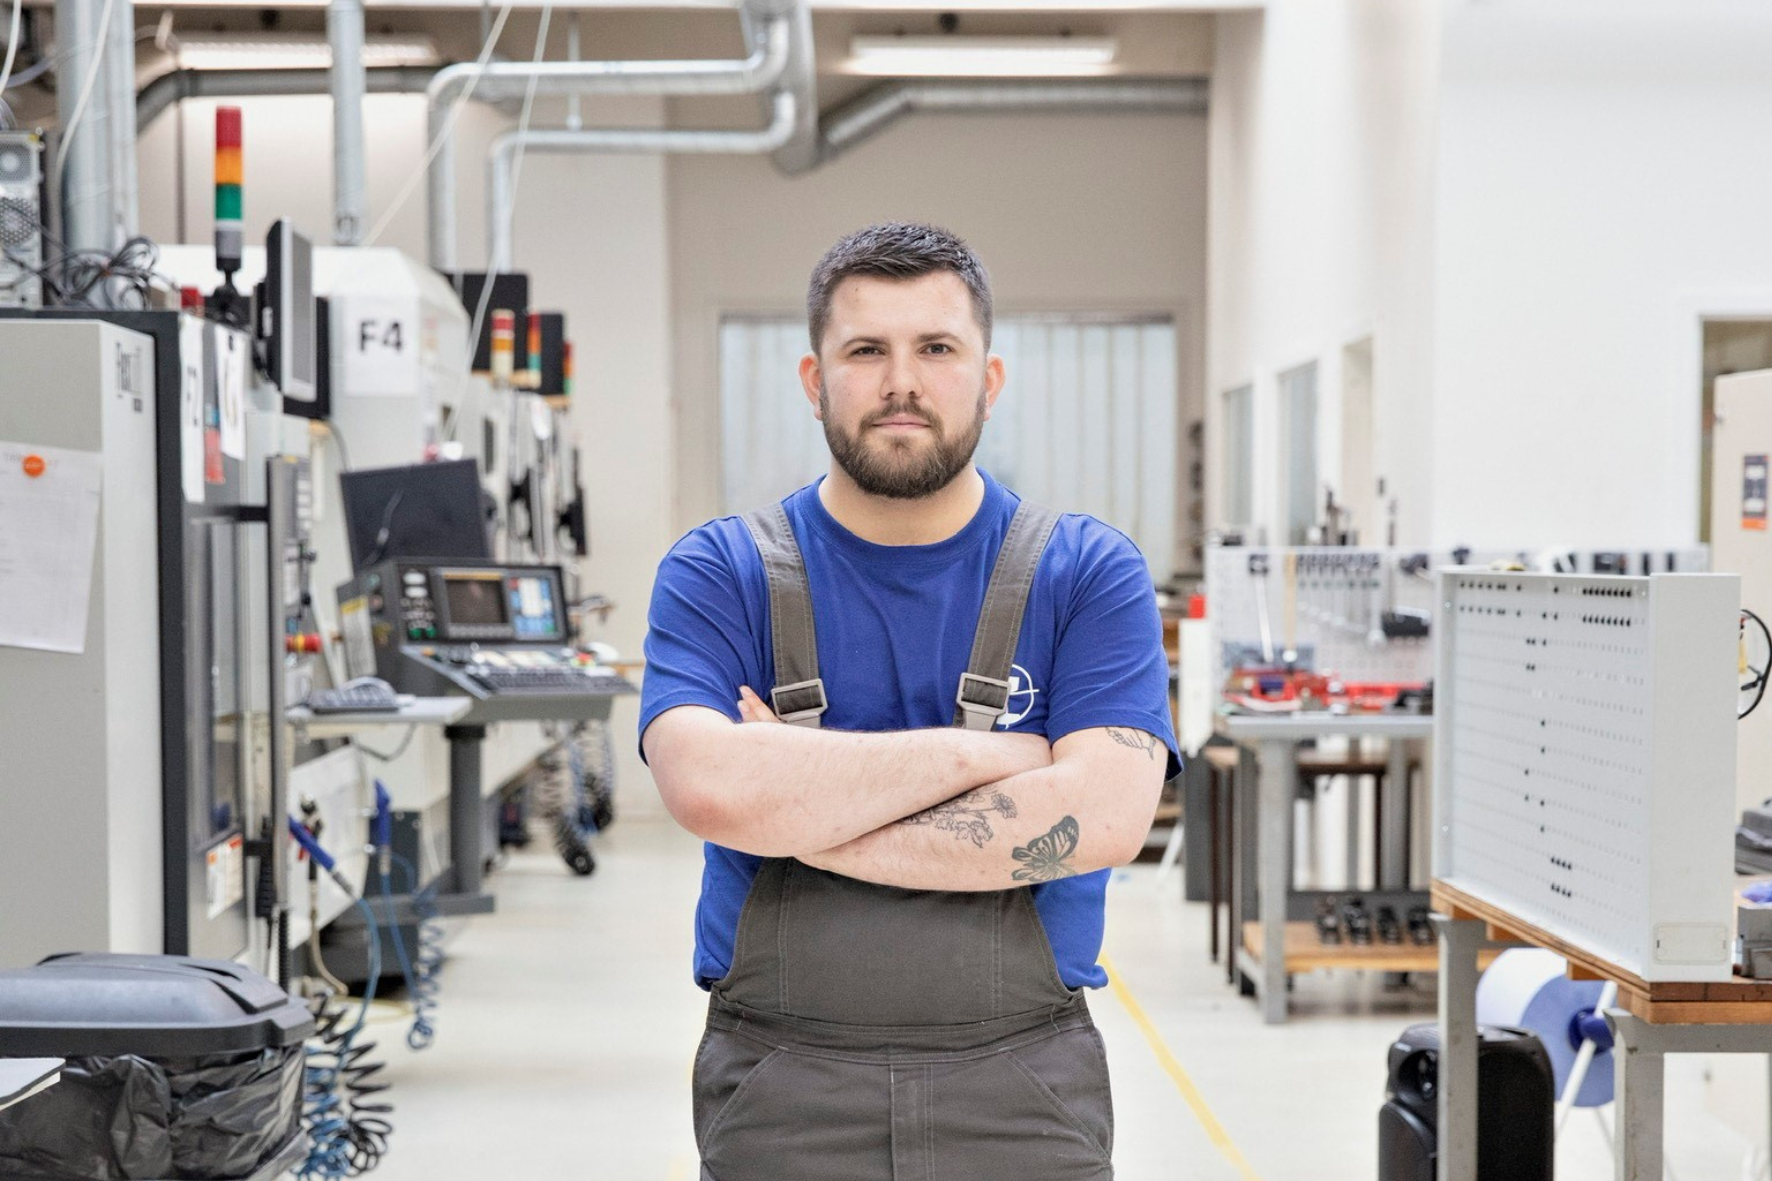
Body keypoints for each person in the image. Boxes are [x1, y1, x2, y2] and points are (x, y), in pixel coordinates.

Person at [640, 222, 1179, 1181]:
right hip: (781, 1092)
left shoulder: (1088, 572)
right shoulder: (719, 570)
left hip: (1024, 1092)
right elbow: (708, 787)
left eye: (936, 348)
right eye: (865, 351)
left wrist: (797, 810)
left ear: (989, 378)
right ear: (814, 380)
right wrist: (989, 756)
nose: (902, 382)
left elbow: (1103, 815)